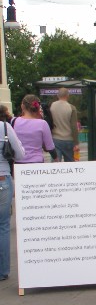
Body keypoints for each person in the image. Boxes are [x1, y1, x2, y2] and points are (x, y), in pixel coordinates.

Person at [0, 111, 25, 280]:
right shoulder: (4, 127)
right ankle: (2, 271)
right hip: (2, 179)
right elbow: (20, 153)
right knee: (3, 226)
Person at [12, 95, 58, 163]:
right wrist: (56, 159)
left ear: (22, 106)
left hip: (18, 163)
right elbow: (50, 147)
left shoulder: (14, 121)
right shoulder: (42, 124)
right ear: (38, 107)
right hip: (37, 162)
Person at [49, 87, 80, 161]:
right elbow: (74, 126)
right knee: (69, 165)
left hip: (55, 139)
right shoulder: (72, 108)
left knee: (56, 165)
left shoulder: (52, 106)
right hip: (68, 140)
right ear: (68, 95)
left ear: (57, 95)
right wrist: (76, 143)